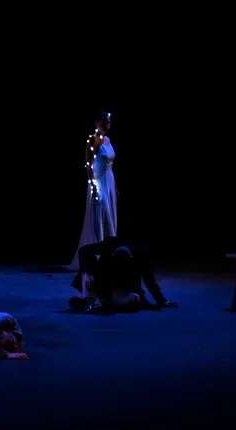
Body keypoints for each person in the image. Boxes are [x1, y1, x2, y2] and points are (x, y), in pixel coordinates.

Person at [69, 236, 178, 312]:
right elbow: (83, 250)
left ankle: (100, 302)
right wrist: (87, 271)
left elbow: (149, 279)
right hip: (106, 278)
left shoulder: (140, 255)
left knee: (134, 299)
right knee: (89, 273)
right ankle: (92, 299)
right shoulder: (108, 245)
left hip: (124, 285)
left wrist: (161, 300)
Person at [70, 110, 118, 269]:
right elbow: (89, 166)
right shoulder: (93, 140)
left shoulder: (107, 140)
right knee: (99, 216)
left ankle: (109, 253)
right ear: (96, 122)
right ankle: (96, 255)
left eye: (109, 122)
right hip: (99, 182)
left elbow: (110, 165)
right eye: (104, 121)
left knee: (109, 216)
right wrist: (94, 188)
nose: (107, 125)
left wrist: (115, 186)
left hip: (109, 181)